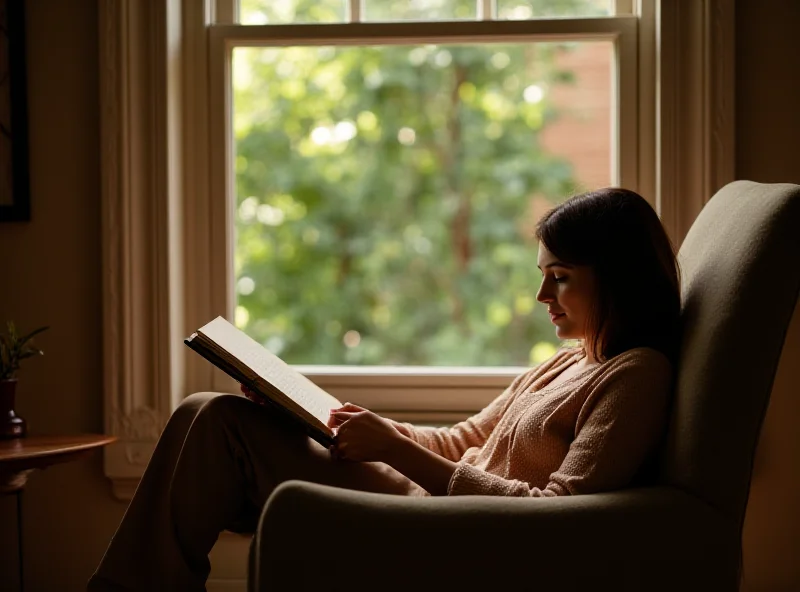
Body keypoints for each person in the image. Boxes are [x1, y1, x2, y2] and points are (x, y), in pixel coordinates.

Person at [88, 187, 681, 591]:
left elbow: (562, 519)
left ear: (617, 279)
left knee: (219, 426)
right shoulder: (566, 361)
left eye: (560, 279)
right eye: (542, 277)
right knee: (213, 413)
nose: (541, 298)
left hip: (457, 533)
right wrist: (349, 423)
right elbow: (463, 439)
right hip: (421, 498)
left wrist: (395, 451)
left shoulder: (637, 376)